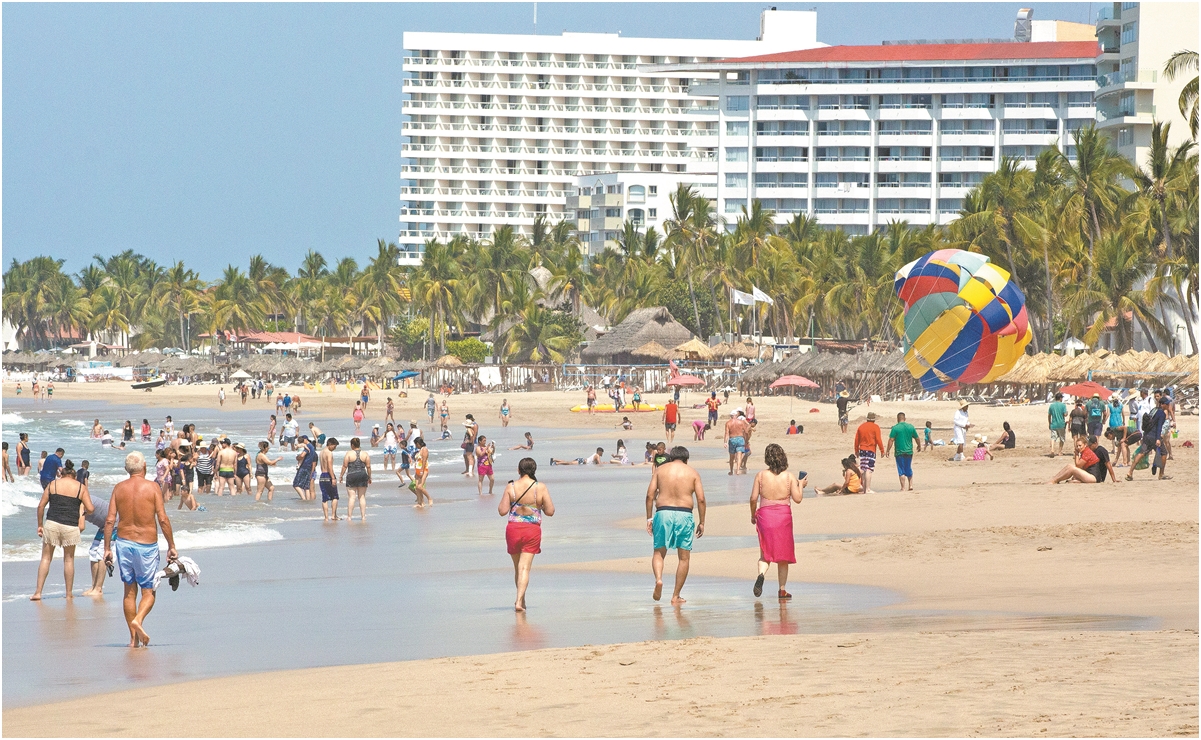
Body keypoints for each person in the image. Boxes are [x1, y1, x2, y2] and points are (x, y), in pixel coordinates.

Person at [104, 451, 177, 648]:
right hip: (146, 546)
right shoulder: (153, 488)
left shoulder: (119, 489)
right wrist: (171, 546)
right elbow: (162, 518)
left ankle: (133, 639)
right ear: (144, 466)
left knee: (129, 592)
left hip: (124, 544)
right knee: (148, 591)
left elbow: (110, 520)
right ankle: (139, 620)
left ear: (127, 469)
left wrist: (107, 548)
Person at [645, 446, 705, 605]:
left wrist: (649, 519)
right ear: (686, 460)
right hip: (685, 514)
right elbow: (701, 500)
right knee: (684, 558)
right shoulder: (693, 473)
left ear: (671, 458)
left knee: (659, 552)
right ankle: (675, 596)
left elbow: (650, 495)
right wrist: (702, 522)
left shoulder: (660, 470)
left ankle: (659, 579)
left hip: (663, 512)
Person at [32, 460, 94, 600]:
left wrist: (39, 525)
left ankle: (38, 592)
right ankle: (68, 594)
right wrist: (82, 514)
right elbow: (91, 508)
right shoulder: (80, 487)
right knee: (68, 560)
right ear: (73, 475)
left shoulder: (53, 484)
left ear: (61, 474)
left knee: (46, 558)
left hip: (52, 523)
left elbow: (41, 506)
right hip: (70, 526)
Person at [749, 444, 805, 600]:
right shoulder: (789, 477)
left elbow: (753, 498)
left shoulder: (760, 475)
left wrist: (753, 515)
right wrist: (800, 485)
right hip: (783, 517)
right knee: (783, 556)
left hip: (765, 516)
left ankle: (761, 574)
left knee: (765, 554)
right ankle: (782, 590)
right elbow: (798, 499)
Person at [499, 458, 555, 612]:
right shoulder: (540, 487)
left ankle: (521, 601)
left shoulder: (511, 487)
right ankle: (518, 601)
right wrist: (539, 506)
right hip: (531, 530)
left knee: (518, 568)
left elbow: (502, 511)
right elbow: (550, 511)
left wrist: (513, 502)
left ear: (518, 470)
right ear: (534, 470)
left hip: (513, 529)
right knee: (524, 568)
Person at [1127, 396, 1171, 481]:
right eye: (1167, 404)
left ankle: (1130, 472)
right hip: (1154, 436)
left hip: (1147, 435)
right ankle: (1161, 474)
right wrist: (1158, 438)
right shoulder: (1162, 413)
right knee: (1164, 453)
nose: (1168, 405)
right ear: (1162, 404)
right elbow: (1159, 427)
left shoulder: (1153, 410)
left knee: (1141, 453)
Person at [1050, 436, 1116, 484]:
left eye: (1080, 446)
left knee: (1071, 468)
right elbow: (1081, 466)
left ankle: (1054, 480)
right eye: (1077, 446)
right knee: (1070, 469)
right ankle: (1054, 479)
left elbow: (1109, 465)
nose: (1078, 447)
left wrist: (1114, 480)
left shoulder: (1099, 451)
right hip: (1090, 474)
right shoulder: (1085, 451)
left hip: (1096, 477)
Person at [81, 494, 110, 597]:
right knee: (93, 552)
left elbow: (80, 526)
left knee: (101, 553)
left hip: (113, 525)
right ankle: (94, 586)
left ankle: (98, 588)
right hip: (103, 526)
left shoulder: (80, 501)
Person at [885, 412, 919, 492]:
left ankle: (903, 487)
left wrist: (888, 450)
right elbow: (917, 438)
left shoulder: (895, 428)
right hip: (909, 451)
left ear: (897, 419)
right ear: (905, 418)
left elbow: (891, 440)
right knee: (908, 467)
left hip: (899, 452)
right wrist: (919, 445)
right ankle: (910, 485)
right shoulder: (911, 427)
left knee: (901, 470)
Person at [340, 437, 371, 522]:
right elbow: (368, 466)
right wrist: (369, 477)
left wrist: (341, 476)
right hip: (362, 474)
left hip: (351, 475)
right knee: (362, 497)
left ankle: (349, 517)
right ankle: (363, 516)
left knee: (351, 497)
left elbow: (344, 466)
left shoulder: (349, 454)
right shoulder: (365, 454)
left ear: (352, 445)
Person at [853, 412, 885, 494]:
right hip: (871, 449)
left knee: (863, 468)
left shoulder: (861, 427)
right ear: (874, 419)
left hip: (862, 450)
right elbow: (878, 439)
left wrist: (856, 450)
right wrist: (882, 450)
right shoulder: (875, 427)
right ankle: (867, 489)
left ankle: (864, 489)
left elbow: (857, 440)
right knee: (869, 469)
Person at [318, 438, 341, 521]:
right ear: (330, 444)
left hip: (322, 476)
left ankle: (326, 517)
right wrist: (333, 478)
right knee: (335, 496)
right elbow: (329, 466)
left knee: (325, 498)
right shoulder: (329, 453)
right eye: (334, 446)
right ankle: (333, 515)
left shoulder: (321, 452)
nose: (335, 448)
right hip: (328, 475)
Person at [725, 409, 749, 475]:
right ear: (736, 415)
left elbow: (726, 433)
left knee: (731, 457)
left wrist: (725, 442)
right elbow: (746, 432)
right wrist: (746, 440)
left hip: (732, 439)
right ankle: (738, 470)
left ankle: (731, 470)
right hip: (740, 439)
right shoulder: (741, 422)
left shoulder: (728, 423)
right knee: (739, 455)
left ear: (731, 416)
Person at [292, 436, 317, 501]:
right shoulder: (312, 447)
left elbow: (302, 455)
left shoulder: (308, 446)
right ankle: (308, 501)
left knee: (295, 484)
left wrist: (298, 457)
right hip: (309, 467)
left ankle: (303, 498)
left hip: (304, 466)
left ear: (305, 440)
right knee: (306, 487)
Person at [410, 437, 432, 507]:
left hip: (423, 469)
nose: (416, 446)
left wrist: (422, 470)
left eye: (416, 444)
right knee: (416, 487)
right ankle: (420, 503)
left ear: (418, 443)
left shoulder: (424, 449)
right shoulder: (419, 450)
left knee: (420, 487)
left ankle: (429, 498)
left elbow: (424, 460)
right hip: (417, 470)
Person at [1047, 392, 1068, 456]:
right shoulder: (1063, 405)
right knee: (1062, 438)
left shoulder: (1052, 405)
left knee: (1053, 437)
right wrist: (1066, 413)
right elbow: (1065, 414)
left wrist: (1049, 423)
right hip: (1061, 424)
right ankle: (1060, 451)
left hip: (1053, 424)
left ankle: (1052, 450)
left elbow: (1049, 415)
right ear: (1060, 398)